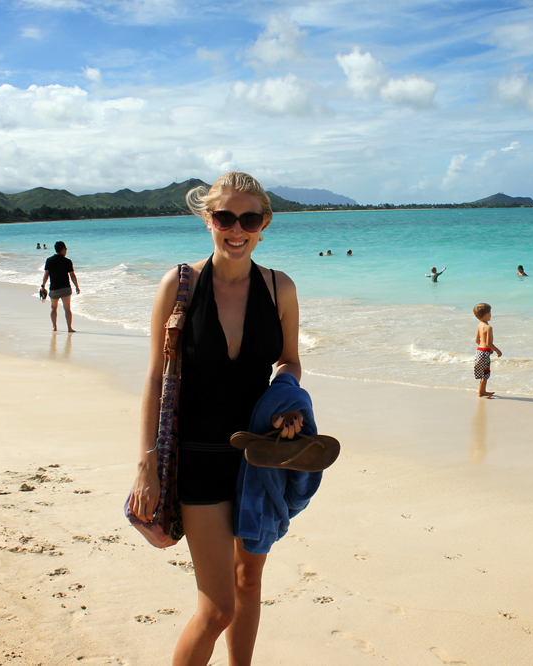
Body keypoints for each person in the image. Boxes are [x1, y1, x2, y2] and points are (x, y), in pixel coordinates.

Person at [128, 171, 302, 666]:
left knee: (250, 584)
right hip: (198, 462)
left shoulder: (279, 287)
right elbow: (156, 376)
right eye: (225, 216)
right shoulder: (180, 285)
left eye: (249, 218)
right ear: (209, 219)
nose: (237, 228)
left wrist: (287, 397)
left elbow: (288, 360)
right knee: (218, 606)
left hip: (258, 458)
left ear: (264, 223)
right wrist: (147, 464)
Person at [41, 241, 80, 332]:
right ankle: (69, 328)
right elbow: (72, 275)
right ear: (63, 250)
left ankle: (54, 327)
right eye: (65, 249)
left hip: (54, 288)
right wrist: (77, 286)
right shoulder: (67, 261)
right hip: (65, 288)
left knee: (53, 308)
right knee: (67, 309)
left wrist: (43, 286)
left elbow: (46, 275)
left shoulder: (49, 260)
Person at [473, 303, 502, 398]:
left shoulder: (479, 325)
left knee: (483, 373)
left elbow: (477, 340)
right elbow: (489, 343)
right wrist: (497, 350)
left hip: (479, 351)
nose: (491, 314)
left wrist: (484, 348)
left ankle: (482, 391)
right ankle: (481, 392)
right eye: (490, 313)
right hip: (484, 352)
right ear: (486, 314)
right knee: (485, 373)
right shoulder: (488, 327)